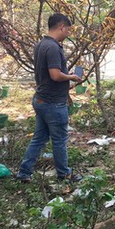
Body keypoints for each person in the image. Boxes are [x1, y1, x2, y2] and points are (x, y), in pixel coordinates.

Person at [16, 13, 83, 183]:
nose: (68, 34)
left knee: (39, 138)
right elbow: (54, 75)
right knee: (60, 140)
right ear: (61, 27)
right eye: (68, 30)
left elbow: (50, 73)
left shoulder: (41, 45)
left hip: (41, 99)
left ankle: (24, 172)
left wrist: (65, 75)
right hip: (53, 104)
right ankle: (64, 173)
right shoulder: (53, 48)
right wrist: (71, 77)